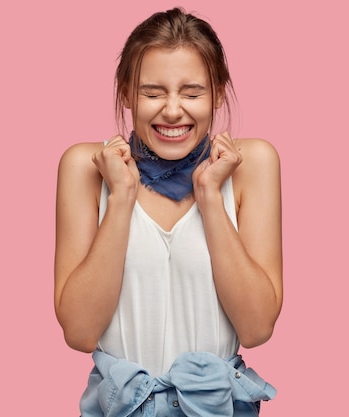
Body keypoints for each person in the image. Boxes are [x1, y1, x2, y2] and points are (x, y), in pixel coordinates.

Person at [54, 7, 283, 416]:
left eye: (192, 93)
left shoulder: (252, 164)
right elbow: (80, 331)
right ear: (126, 92)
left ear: (218, 91)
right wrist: (121, 196)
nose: (173, 110)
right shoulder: (85, 168)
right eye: (153, 92)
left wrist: (210, 195)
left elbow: (256, 327)